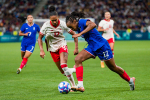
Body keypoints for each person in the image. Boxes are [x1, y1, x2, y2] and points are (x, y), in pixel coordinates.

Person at [66, 11, 135, 92]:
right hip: (92, 46)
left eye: (71, 27)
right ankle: (80, 85)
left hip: (102, 46)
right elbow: (77, 36)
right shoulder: (78, 28)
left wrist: (80, 33)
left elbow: (93, 25)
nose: (71, 29)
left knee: (113, 67)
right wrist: (76, 48)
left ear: (74, 21)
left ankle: (130, 80)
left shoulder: (81, 21)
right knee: (78, 59)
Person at [38, 6, 78, 88]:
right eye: (52, 20)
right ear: (50, 19)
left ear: (58, 18)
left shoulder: (63, 24)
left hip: (62, 45)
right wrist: (41, 50)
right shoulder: (46, 25)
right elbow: (39, 38)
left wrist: (76, 48)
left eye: (55, 20)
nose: (54, 22)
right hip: (52, 49)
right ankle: (74, 69)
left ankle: (74, 86)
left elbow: (74, 34)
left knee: (63, 65)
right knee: (64, 72)